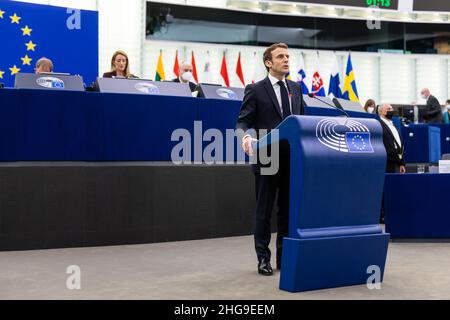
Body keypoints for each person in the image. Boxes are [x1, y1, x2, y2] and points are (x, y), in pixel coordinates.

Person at [236, 43, 305, 276]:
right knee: (264, 211)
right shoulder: (255, 89)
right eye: (280, 57)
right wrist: (245, 137)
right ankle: (263, 258)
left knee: (286, 211)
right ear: (268, 62)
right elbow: (243, 121)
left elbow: (302, 122)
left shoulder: (295, 88)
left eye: (287, 56)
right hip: (266, 156)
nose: (286, 60)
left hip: (292, 158)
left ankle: (284, 259)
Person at [378, 104, 406, 174]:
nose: (391, 110)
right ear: (381, 112)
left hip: (397, 164)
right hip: (387, 164)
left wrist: (401, 163)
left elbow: (398, 143)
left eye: (392, 109)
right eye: (388, 109)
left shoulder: (393, 125)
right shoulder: (379, 124)